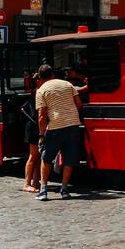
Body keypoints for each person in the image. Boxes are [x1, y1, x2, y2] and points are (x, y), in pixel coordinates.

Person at [35, 66, 88, 202]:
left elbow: (41, 116)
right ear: (52, 74)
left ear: (40, 78)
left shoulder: (41, 91)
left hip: (56, 125)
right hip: (73, 124)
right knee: (69, 158)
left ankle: (43, 190)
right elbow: (79, 105)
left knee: (46, 158)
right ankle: (64, 189)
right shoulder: (67, 84)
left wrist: (41, 134)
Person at [21, 66, 48, 193]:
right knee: (33, 156)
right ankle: (27, 183)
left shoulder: (38, 90)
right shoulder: (38, 91)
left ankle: (36, 182)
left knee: (38, 156)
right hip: (33, 126)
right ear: (38, 81)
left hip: (36, 125)